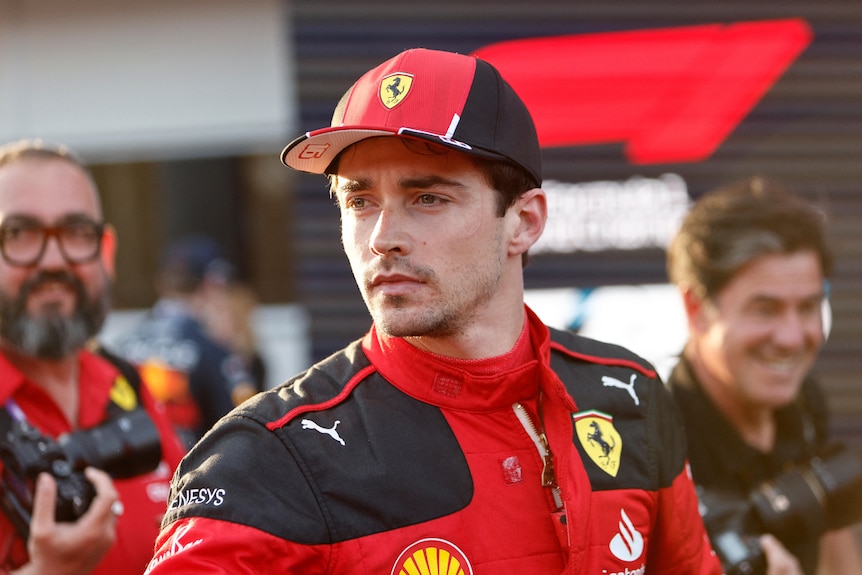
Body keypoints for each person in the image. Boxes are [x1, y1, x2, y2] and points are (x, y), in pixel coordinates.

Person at [144, 47, 721, 575]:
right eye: (360, 201)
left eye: (427, 198)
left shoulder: (631, 394)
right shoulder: (269, 456)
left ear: (524, 222)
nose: (382, 237)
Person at [0, 139, 187, 575]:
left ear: (106, 251)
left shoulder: (133, 387)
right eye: (19, 234)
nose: (52, 260)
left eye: (76, 233)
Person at [666, 176, 862, 575]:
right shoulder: (655, 450)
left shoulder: (803, 402)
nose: (792, 338)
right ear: (696, 308)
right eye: (765, 309)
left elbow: (834, 544)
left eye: (808, 307)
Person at [112, 236, 257, 448]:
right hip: (193, 473)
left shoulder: (121, 346)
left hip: (139, 469)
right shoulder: (214, 352)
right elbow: (241, 429)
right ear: (211, 284)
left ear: (162, 282)